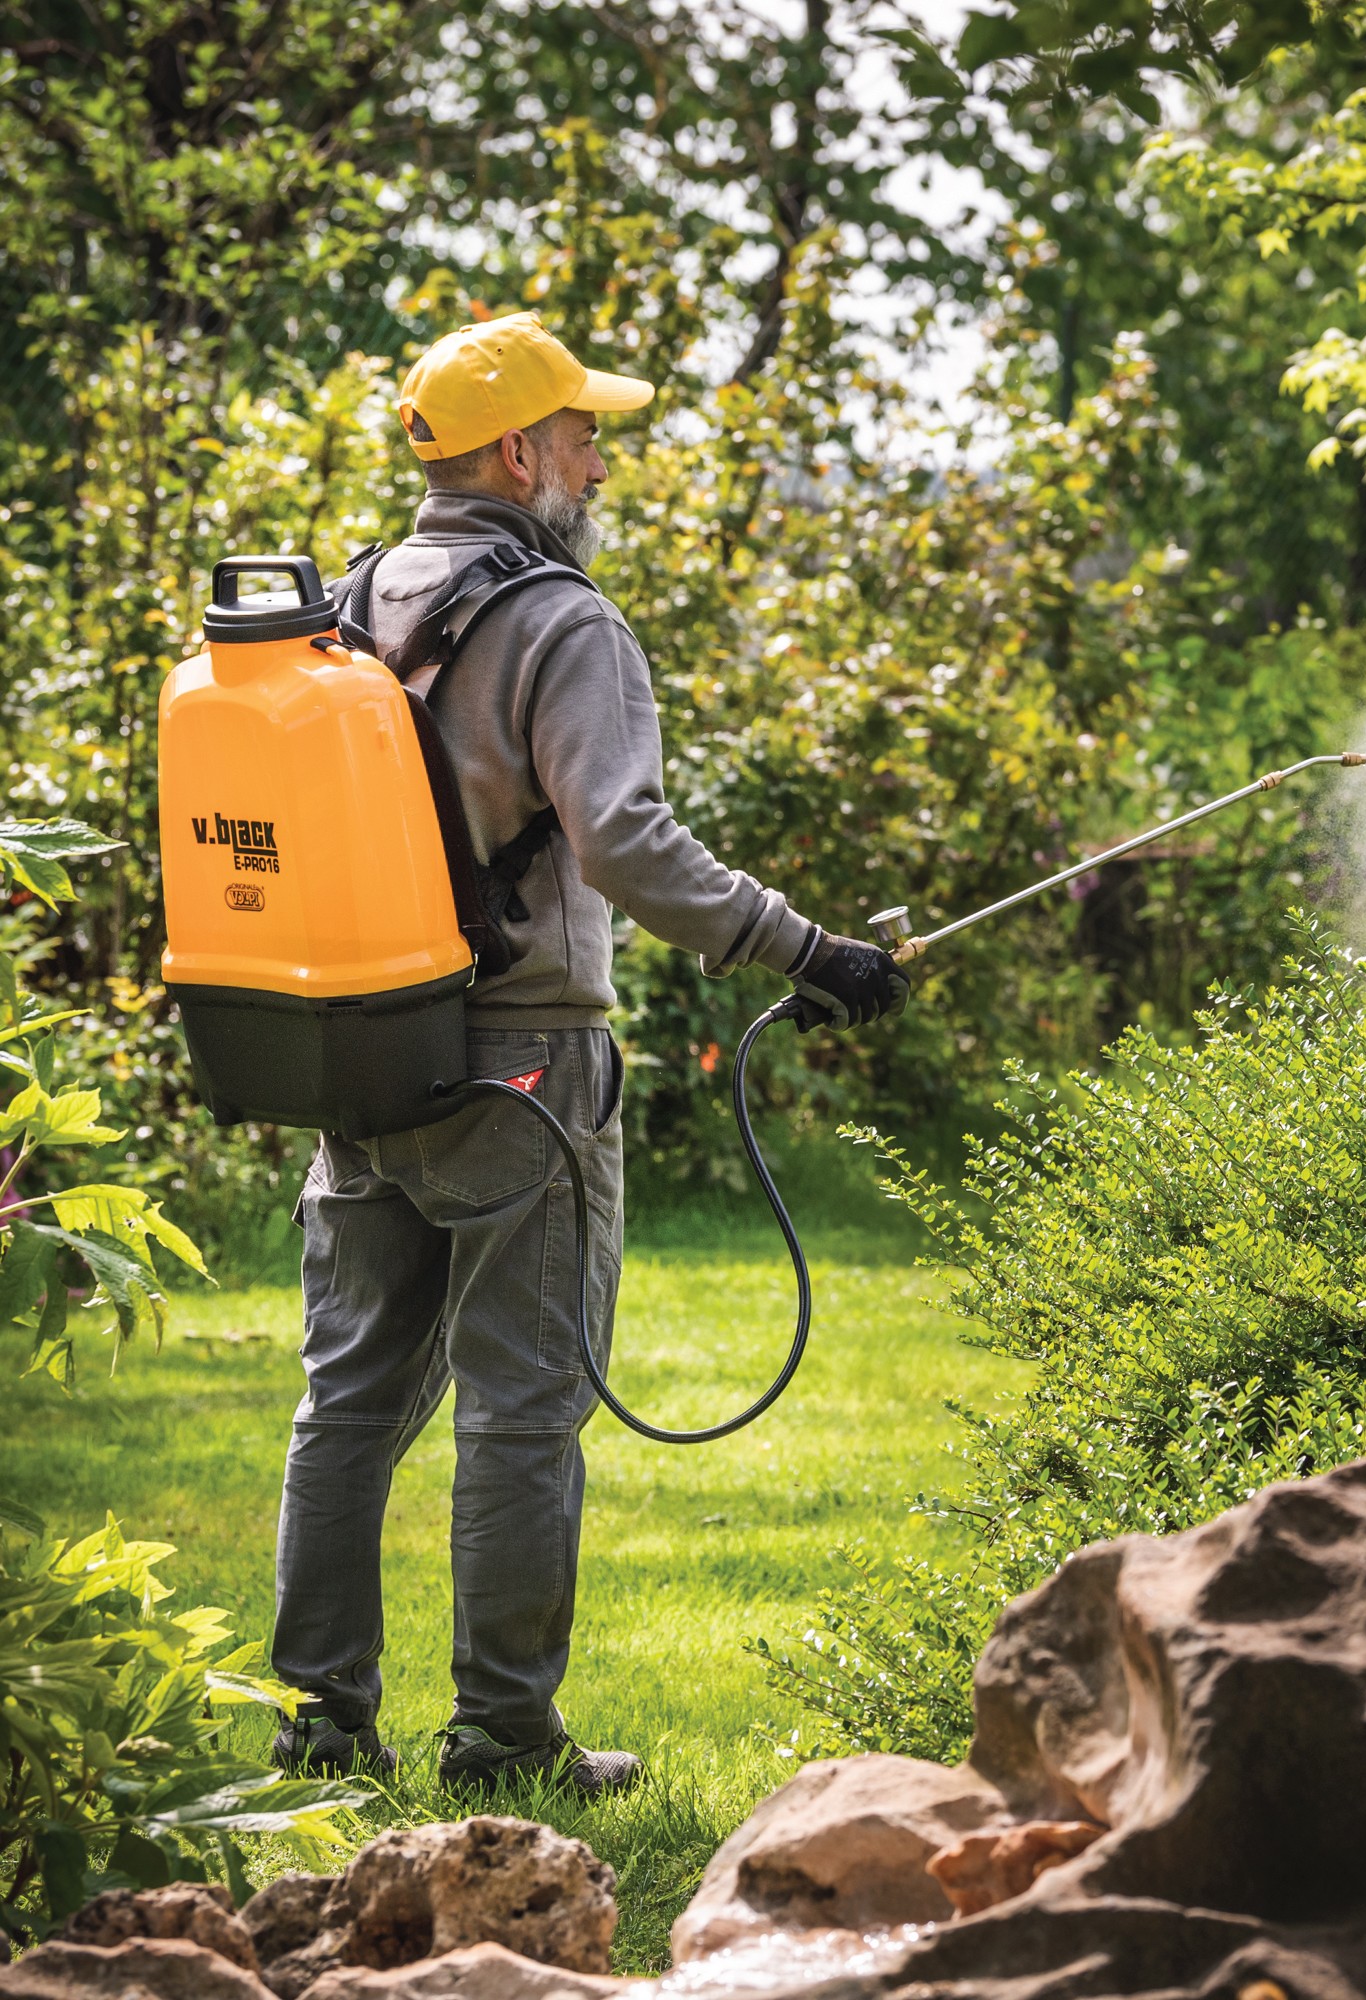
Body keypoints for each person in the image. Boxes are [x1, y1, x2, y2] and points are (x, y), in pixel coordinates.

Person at [267, 311, 907, 1796]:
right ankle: (502, 1739)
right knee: (522, 1400)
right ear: (519, 452)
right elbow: (623, 836)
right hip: (526, 1068)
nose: (601, 461)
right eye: (584, 433)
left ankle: (315, 1723)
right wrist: (803, 951)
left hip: (354, 1048)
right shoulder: (563, 622)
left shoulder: (351, 606)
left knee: (348, 1395)